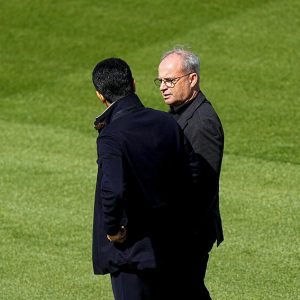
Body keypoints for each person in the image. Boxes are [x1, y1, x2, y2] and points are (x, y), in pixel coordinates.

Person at [91, 57, 198, 300]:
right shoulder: (167, 122)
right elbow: (192, 174)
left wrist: (113, 229)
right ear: (134, 84)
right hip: (169, 247)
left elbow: (113, 190)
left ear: (100, 95)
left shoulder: (111, 136)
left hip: (130, 254)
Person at [155, 47, 225, 299]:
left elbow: (202, 186)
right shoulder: (180, 114)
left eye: (170, 81)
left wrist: (175, 232)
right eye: (160, 81)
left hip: (188, 234)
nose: (163, 87)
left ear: (192, 79)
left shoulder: (202, 122)